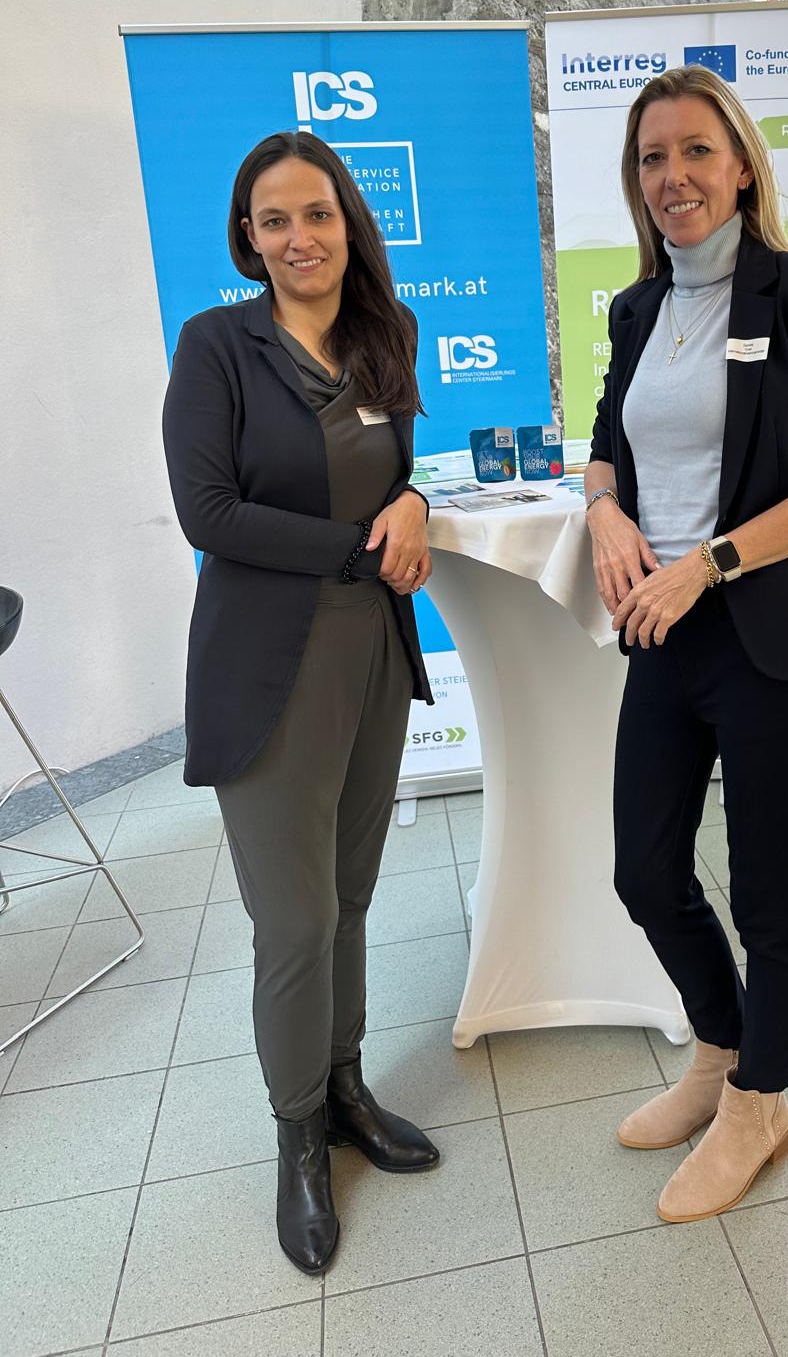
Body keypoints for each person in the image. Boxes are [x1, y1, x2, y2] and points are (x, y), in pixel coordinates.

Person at [584, 66, 788, 1224]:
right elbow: (607, 438)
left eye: (697, 150)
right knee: (645, 870)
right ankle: (717, 1049)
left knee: (765, 888)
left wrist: (706, 561)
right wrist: (604, 511)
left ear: (742, 165)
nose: (675, 176)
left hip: (765, 636)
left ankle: (760, 1101)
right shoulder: (636, 310)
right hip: (661, 633)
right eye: (652, 157)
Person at [162, 131, 439, 1275]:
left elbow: (399, 476)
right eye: (272, 220)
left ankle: (344, 1088)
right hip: (268, 667)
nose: (297, 238)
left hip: (373, 655)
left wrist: (415, 501)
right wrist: (361, 547)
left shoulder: (387, 332)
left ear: (347, 222)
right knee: (295, 920)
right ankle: (297, 1139)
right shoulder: (217, 346)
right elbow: (209, 512)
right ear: (247, 237)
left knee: (352, 895)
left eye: (315, 214)